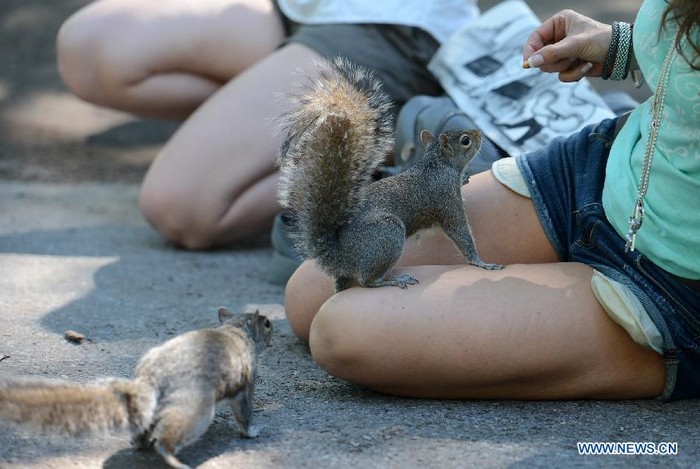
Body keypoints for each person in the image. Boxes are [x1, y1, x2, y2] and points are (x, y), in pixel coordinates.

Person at [285, 0, 699, 400]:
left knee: (345, 330)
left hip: (671, 281)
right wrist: (625, 45)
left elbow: (452, 222)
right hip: (609, 164)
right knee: (310, 291)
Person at [55, 0, 479, 250]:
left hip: (390, 23)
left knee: (181, 207)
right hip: (297, 8)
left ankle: (388, 133)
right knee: (90, 48)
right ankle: (304, 127)